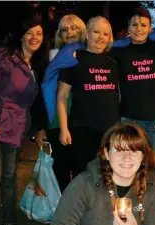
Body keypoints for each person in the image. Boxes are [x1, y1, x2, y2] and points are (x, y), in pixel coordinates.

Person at [1, 123, 155, 225]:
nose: (127, 158)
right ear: (106, 154)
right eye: (119, 150)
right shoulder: (84, 184)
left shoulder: (154, 190)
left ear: (143, 156)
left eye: (134, 151)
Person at [0, 18, 49, 225]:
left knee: (9, 177)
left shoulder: (35, 65)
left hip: (16, 128)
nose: (34, 37)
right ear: (21, 35)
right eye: (30, 32)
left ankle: (10, 224)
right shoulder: (2, 56)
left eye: (38, 33)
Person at [57, 16, 120, 177]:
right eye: (96, 32)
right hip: (82, 131)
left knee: (109, 178)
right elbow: (62, 97)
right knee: (83, 179)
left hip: (110, 131)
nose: (101, 37)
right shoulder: (73, 60)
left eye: (105, 34)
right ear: (87, 34)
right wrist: (64, 129)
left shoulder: (113, 62)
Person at [111, 8, 155, 177]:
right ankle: (128, 202)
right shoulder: (118, 54)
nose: (139, 29)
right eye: (134, 24)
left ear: (151, 28)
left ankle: (152, 203)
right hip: (130, 118)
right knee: (129, 166)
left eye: (144, 25)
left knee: (152, 167)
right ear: (128, 28)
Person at [32, 14, 87, 192]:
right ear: (59, 34)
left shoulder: (91, 54)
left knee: (83, 172)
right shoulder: (50, 59)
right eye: (64, 29)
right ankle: (64, 215)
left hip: (83, 121)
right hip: (56, 123)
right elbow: (40, 94)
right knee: (60, 173)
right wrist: (40, 127)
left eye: (74, 28)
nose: (69, 33)